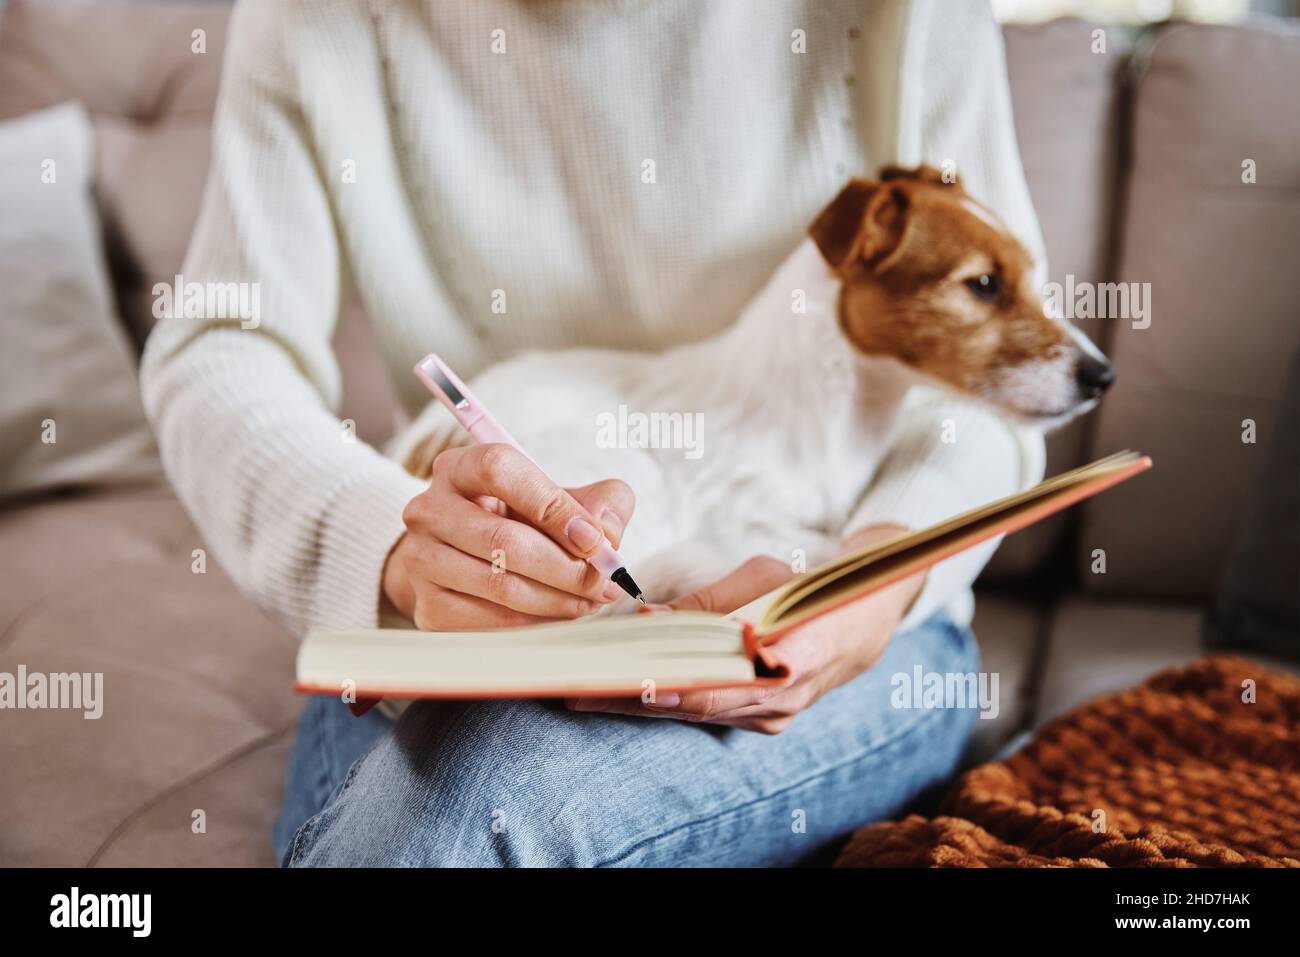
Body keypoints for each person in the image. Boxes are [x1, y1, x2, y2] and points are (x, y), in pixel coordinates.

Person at [141, 0, 1047, 867]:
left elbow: (1001, 377)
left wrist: (875, 579)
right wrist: (390, 547)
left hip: (864, 626)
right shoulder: (315, 17)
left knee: (466, 808)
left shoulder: (914, 13)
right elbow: (220, 348)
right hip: (447, 631)